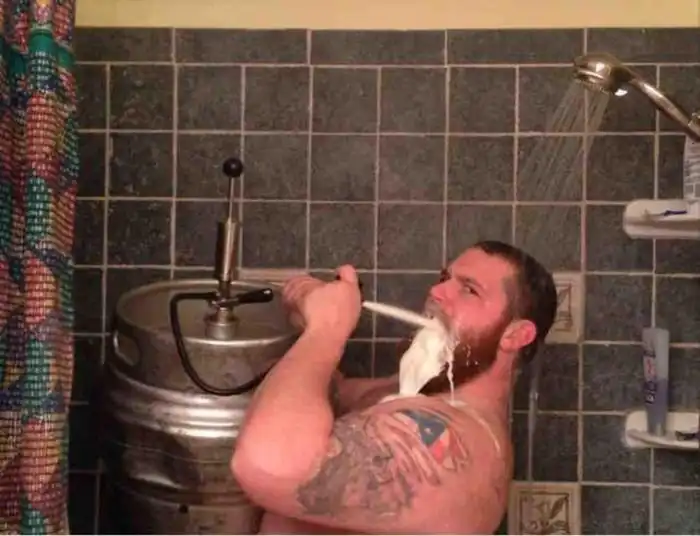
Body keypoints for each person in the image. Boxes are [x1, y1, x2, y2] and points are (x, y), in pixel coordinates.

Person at [231, 240, 558, 535]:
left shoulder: (451, 441)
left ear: (515, 335)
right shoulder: (423, 398)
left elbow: (267, 464)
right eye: (445, 279)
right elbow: (331, 396)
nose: (437, 291)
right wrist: (310, 331)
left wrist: (326, 328)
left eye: (469, 290)